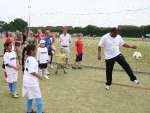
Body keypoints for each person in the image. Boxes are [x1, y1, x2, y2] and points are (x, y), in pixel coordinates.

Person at [22, 44, 44, 113]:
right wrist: (39, 76)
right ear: (32, 51)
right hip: (31, 82)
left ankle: (29, 111)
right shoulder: (32, 60)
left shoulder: (28, 58)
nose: (36, 51)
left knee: (30, 97)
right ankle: (40, 112)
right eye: (36, 50)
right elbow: (32, 71)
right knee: (38, 97)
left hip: (26, 81)